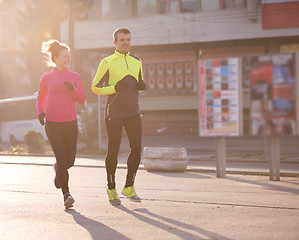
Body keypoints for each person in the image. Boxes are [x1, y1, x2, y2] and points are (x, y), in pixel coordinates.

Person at [92, 27, 145, 205]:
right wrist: (114, 88)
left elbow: (139, 82)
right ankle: (111, 188)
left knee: (137, 148)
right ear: (115, 42)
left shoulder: (137, 61)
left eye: (128, 39)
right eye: (122, 40)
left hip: (133, 111)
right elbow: (95, 87)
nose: (126, 42)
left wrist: (140, 86)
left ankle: (129, 186)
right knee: (113, 150)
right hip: (114, 112)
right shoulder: (107, 62)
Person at [36, 40, 86, 209]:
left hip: (70, 122)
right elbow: (40, 97)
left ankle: (58, 169)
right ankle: (67, 194)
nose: (68, 59)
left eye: (69, 56)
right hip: (52, 123)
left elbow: (82, 98)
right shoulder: (46, 78)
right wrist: (40, 112)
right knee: (61, 157)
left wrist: (71, 88)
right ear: (55, 58)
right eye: (64, 56)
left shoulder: (75, 76)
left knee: (69, 160)